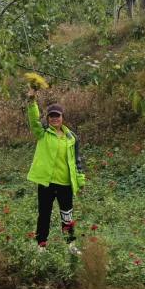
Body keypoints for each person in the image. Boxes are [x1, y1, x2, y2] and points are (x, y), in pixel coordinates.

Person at [26, 88, 85, 254]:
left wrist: (80, 181)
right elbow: (33, 121)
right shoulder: (43, 133)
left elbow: (77, 160)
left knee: (67, 216)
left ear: (62, 117)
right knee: (44, 214)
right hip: (47, 183)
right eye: (51, 116)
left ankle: (70, 245)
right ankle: (41, 245)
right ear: (48, 118)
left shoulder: (71, 137)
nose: (54, 119)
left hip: (65, 183)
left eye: (57, 116)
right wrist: (31, 102)